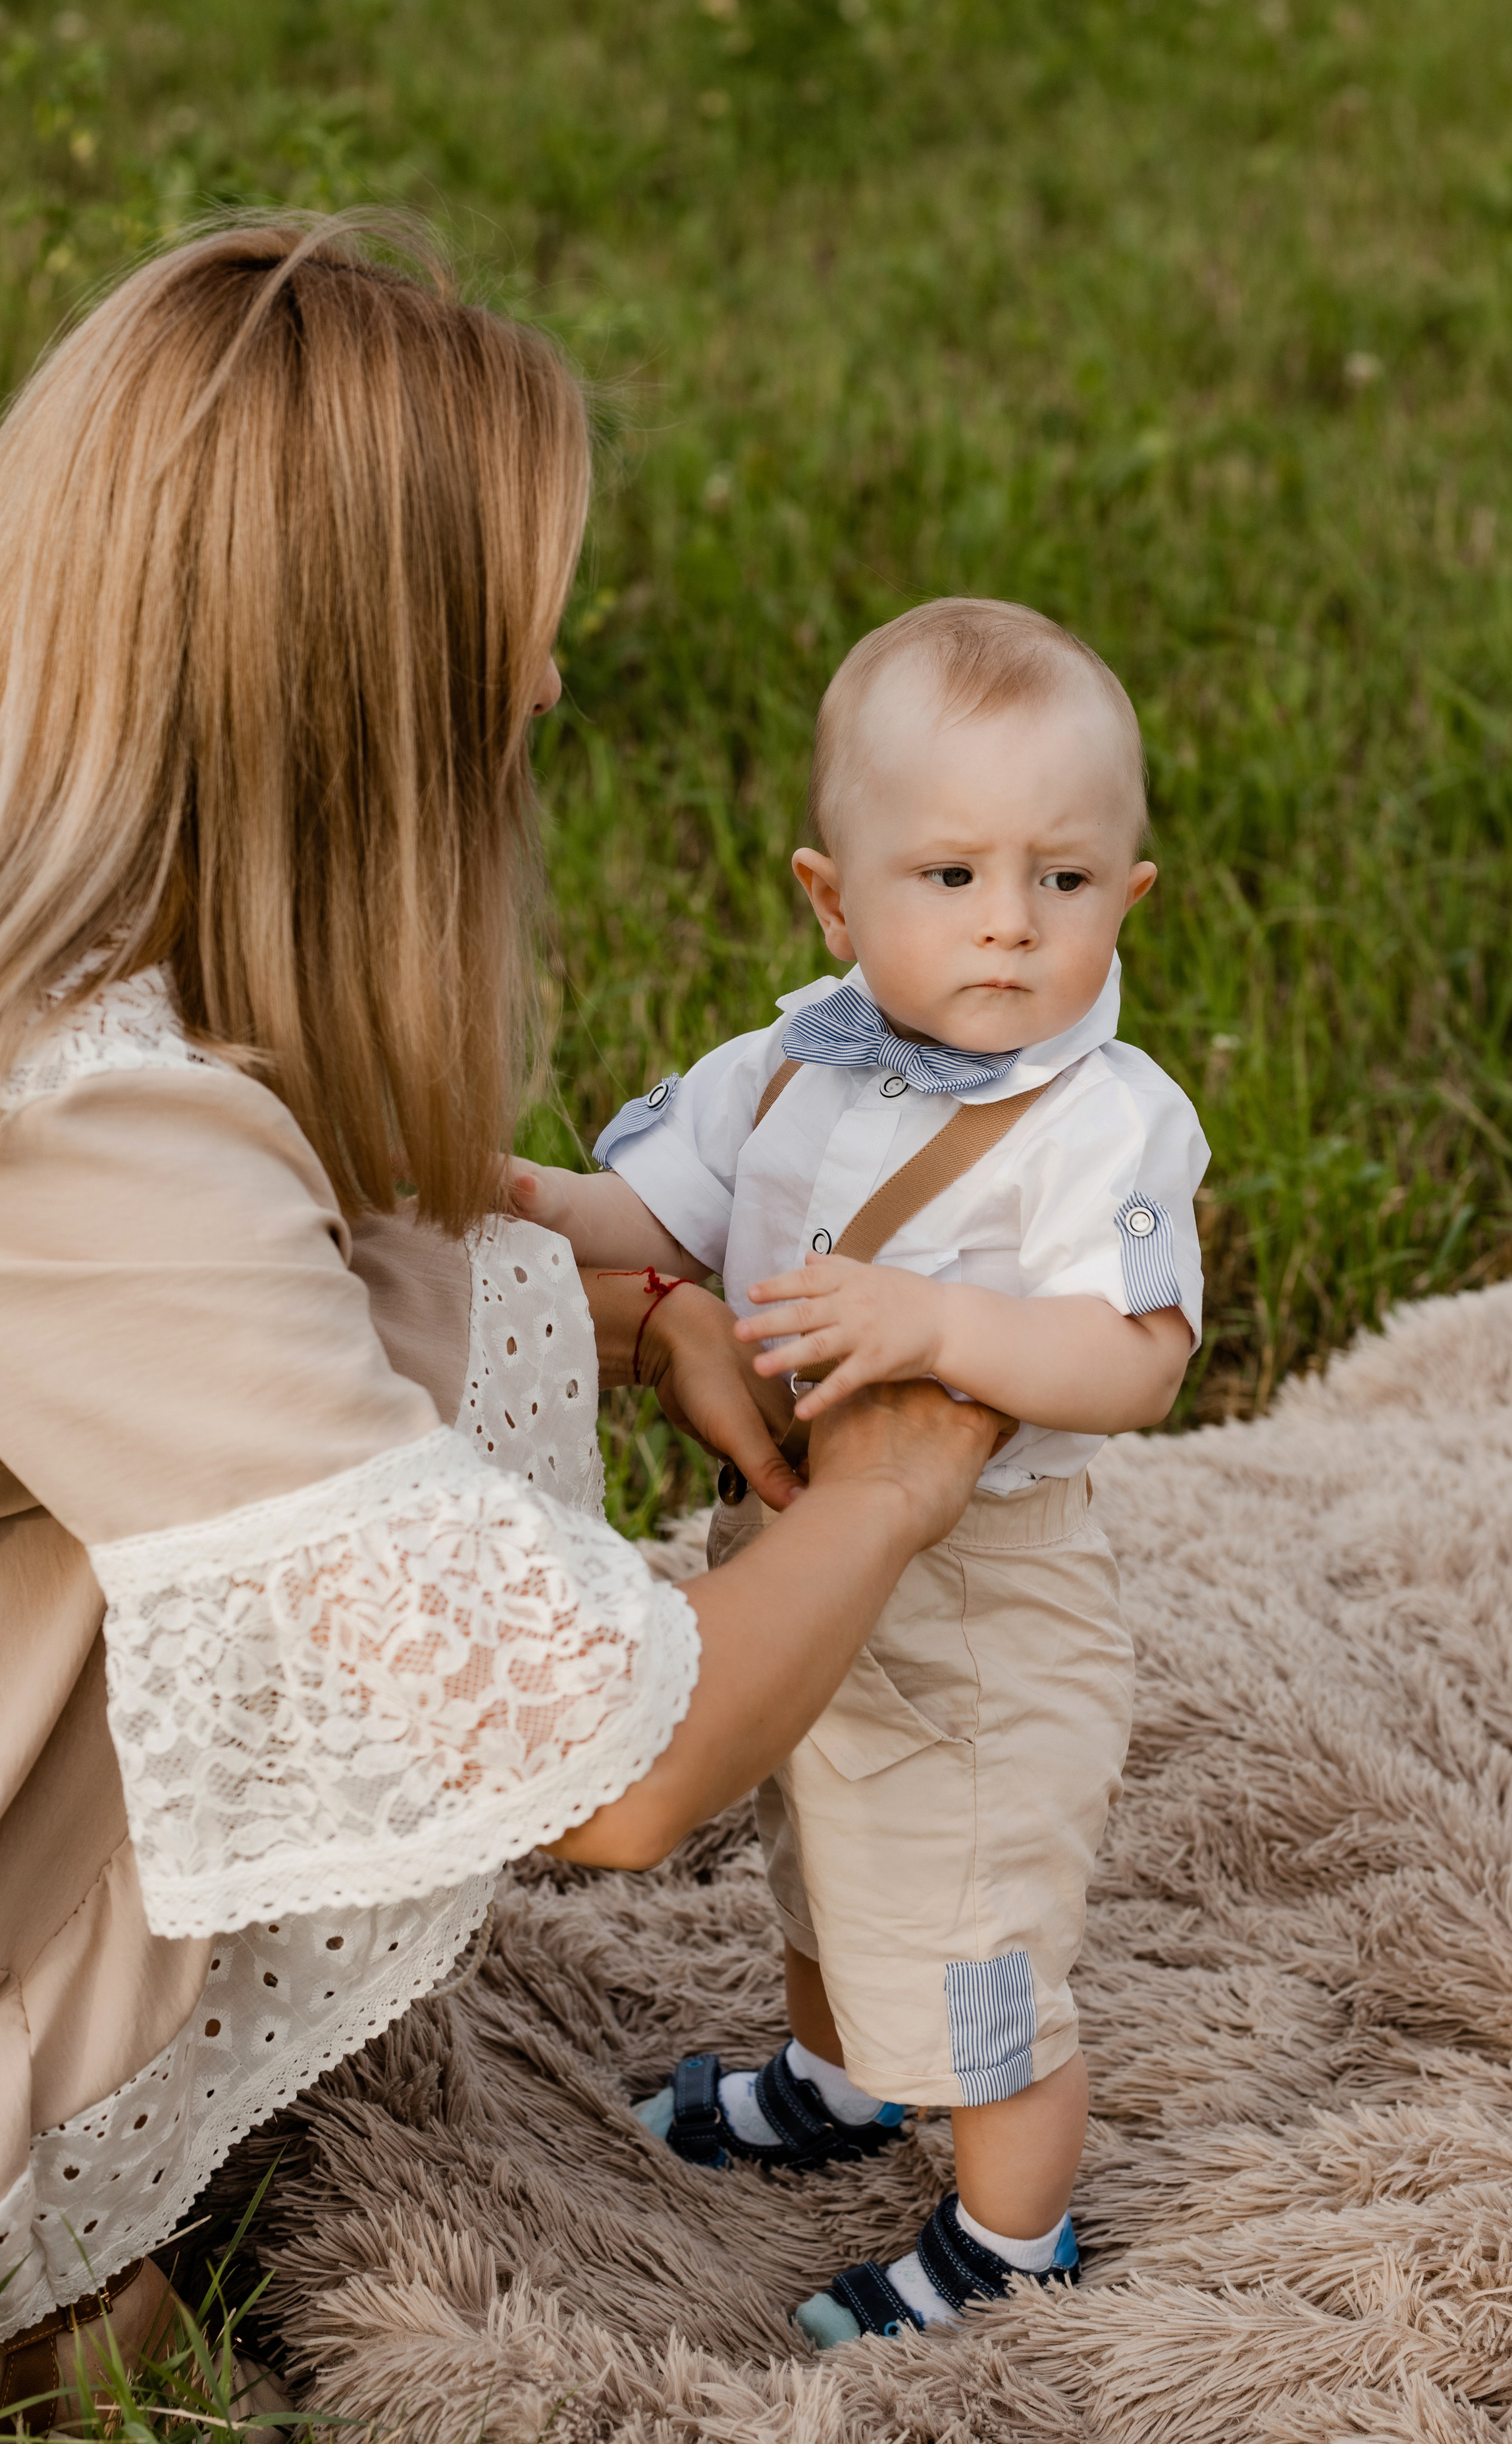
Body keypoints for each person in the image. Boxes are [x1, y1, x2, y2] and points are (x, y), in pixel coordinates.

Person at [0, 220, 1002, 2433]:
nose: (543, 687)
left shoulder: (38, 945)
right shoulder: (83, 1133)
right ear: (349, 693)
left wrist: (629, 1312)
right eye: (509, 640)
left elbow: (331, 1242)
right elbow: (615, 1777)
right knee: (370, 1643)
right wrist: (907, 1474)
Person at [509, 597, 1210, 2343]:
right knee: (821, 1837)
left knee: (975, 1917)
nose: (1004, 926)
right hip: (809, 1549)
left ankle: (1008, 2235)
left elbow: (1141, 1355)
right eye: (950, 876)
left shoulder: (1102, 1120)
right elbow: (660, 1213)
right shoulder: (797, 1061)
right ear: (837, 897)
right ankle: (838, 2073)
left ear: (1127, 895)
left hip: (987, 1590)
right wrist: (522, 1200)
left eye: (1059, 880)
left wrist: (941, 1333)